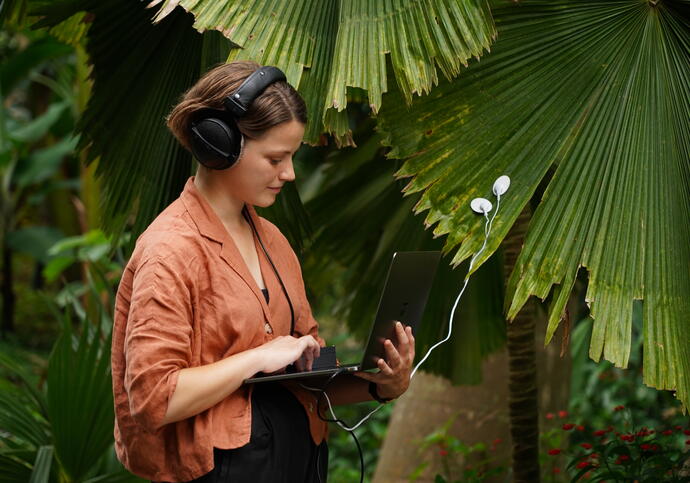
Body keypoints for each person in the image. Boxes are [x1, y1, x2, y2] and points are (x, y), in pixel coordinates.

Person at [111, 60, 416, 483]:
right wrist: (257, 358)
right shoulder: (170, 251)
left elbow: (306, 373)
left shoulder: (273, 241)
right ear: (220, 145)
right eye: (276, 158)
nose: (289, 173)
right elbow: (153, 399)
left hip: (301, 461)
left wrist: (378, 385)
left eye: (291, 157)